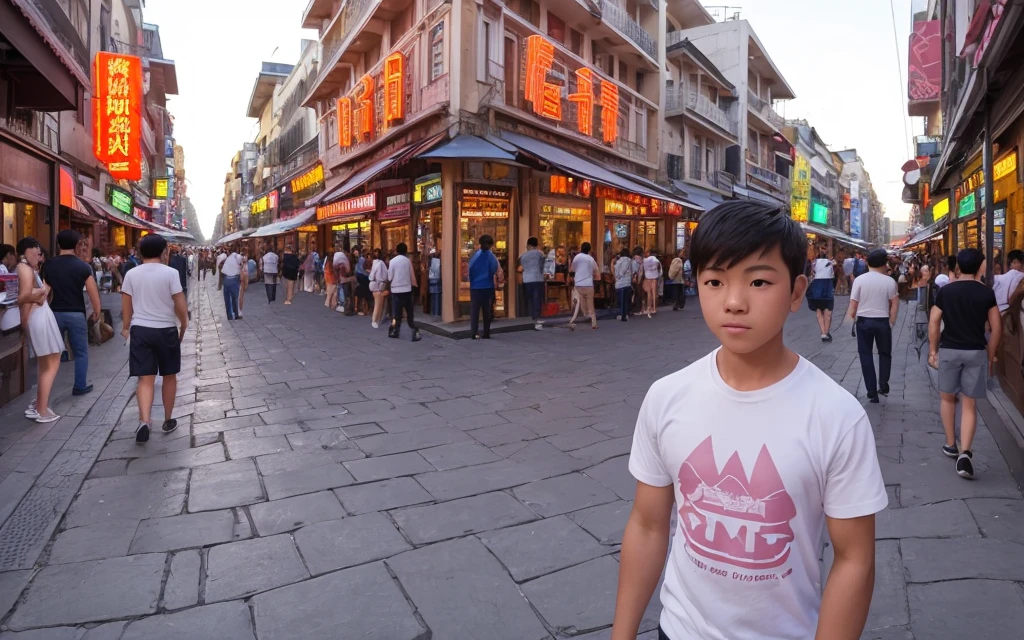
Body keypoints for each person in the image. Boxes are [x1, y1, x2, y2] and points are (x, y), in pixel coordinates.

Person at [611, 201, 886, 640]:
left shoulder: (836, 416)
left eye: (759, 281)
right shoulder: (667, 397)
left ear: (797, 292)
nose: (734, 302)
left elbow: (855, 559)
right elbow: (647, 524)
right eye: (715, 281)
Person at [928, 248, 1001, 479]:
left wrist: (932, 350)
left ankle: (951, 444)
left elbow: (934, 319)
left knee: (947, 398)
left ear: (958, 266)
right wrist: (991, 355)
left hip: (949, 349)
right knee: (969, 404)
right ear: (980, 266)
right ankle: (966, 452)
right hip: (975, 351)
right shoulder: (986, 293)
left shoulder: (946, 290)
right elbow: (996, 327)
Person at [120, 235, 188, 443]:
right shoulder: (170, 273)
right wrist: (183, 324)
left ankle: (144, 420)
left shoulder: (131, 274)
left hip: (140, 330)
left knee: (145, 378)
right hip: (166, 329)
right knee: (169, 375)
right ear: (164, 252)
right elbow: (179, 303)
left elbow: (126, 305)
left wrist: (125, 328)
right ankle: (167, 420)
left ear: (140, 253)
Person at [44, 229, 102, 396]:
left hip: (54, 313)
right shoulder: (82, 266)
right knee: (81, 352)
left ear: (58, 244)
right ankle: (79, 386)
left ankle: (47, 385)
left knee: (53, 352)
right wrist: (97, 311)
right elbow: (93, 292)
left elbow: (44, 291)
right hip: (76, 314)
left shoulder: (49, 264)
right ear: (76, 245)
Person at [17, 237, 64, 423]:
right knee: (50, 362)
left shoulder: (29, 269)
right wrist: (41, 292)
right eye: (35, 249)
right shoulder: (24, 268)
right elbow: (24, 297)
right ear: (26, 250)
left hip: (41, 316)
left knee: (49, 361)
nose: (38, 253)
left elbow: (37, 297)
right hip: (39, 318)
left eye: (39, 250)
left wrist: (41, 293)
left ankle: (40, 405)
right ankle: (41, 408)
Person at [848, 249, 899, 404]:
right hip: (882, 321)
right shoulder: (889, 281)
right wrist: (891, 322)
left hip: (864, 321)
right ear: (884, 264)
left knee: (866, 355)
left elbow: (853, 305)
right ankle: (883, 383)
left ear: (868, 263)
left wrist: (852, 318)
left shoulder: (860, 280)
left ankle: (871, 391)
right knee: (885, 353)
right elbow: (895, 304)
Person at [468, 234, 501, 340]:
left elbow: (470, 269)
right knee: (487, 311)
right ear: (491, 245)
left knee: (475, 311)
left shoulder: (475, 255)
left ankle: (474, 333)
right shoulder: (490, 255)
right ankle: (486, 333)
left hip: (475, 287)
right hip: (487, 286)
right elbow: (494, 268)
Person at [386, 243, 420, 341]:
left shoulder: (392, 261)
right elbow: (412, 274)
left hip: (396, 290)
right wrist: (415, 284)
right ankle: (414, 330)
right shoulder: (408, 261)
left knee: (397, 313)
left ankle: (395, 331)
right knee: (409, 312)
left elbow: (389, 277)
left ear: (397, 251)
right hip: (407, 290)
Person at [807, 245, 836, 342]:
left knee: (819, 311)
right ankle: (826, 332)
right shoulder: (831, 262)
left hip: (816, 287)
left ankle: (823, 333)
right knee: (828, 312)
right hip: (827, 286)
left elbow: (812, 273)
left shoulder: (814, 262)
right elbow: (832, 275)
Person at [568, 242, 599, 331]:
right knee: (591, 304)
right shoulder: (591, 259)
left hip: (578, 284)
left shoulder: (577, 258)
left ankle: (576, 318)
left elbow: (572, 269)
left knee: (579, 303)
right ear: (589, 250)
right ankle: (594, 323)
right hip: (589, 284)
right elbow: (596, 272)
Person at [520, 237, 546, 330]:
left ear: (529, 245)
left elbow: (522, 267)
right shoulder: (540, 254)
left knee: (530, 299)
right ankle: (536, 319)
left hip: (526, 279)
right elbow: (542, 266)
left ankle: (530, 318)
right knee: (537, 299)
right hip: (537, 278)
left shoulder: (523, 256)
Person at [992, 249, 1024, 313]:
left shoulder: (996, 278)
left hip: (996, 312)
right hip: (1012, 314)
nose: (1009, 266)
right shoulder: (1020, 276)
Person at [614, 248, 637, 322]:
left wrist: (618, 277)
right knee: (626, 300)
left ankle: (620, 314)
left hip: (618, 283)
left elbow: (616, 271)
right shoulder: (629, 261)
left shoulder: (618, 261)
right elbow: (634, 270)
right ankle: (625, 314)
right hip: (626, 282)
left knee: (620, 300)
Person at [220, 246, 243, 320]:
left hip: (226, 279)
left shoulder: (228, 258)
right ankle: (236, 314)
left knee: (227, 299)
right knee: (234, 298)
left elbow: (222, 270)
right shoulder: (237, 256)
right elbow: (244, 261)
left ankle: (229, 316)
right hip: (234, 279)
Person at [369, 248, 389, 329]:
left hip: (374, 285)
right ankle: (375, 320)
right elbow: (383, 276)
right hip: (379, 286)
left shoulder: (374, 263)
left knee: (379, 304)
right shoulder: (380, 263)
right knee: (378, 304)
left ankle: (377, 320)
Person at [641, 249, 662, 317]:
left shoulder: (645, 260)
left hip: (648, 277)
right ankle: (654, 308)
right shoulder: (656, 260)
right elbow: (659, 269)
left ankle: (648, 307)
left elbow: (643, 270)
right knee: (654, 293)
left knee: (649, 293)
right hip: (655, 277)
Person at [427, 249, 442, 317]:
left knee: (433, 297)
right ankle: (437, 312)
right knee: (437, 297)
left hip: (431, 280)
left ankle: (433, 312)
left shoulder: (431, 262)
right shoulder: (438, 262)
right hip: (437, 279)